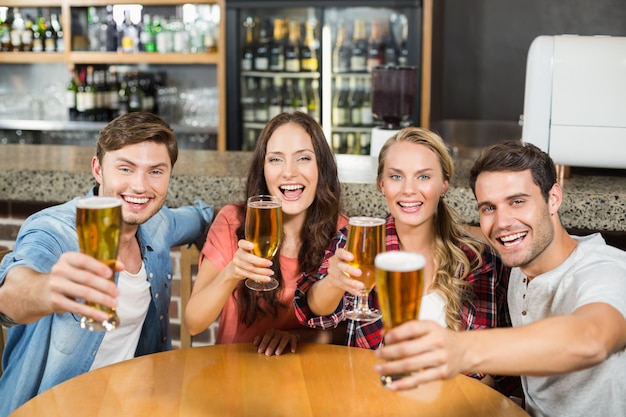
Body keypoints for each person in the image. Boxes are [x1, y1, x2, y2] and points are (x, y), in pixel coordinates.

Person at [375, 140, 626, 416]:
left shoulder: (605, 270)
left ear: (553, 198)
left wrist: (459, 350)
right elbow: (467, 234)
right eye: (489, 208)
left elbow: (592, 339)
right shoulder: (520, 262)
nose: (503, 222)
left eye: (517, 201)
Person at [0, 112, 215, 417]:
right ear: (98, 169)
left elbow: (204, 218)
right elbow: (10, 291)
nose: (140, 186)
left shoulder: (159, 223)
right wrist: (48, 290)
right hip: (49, 409)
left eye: (155, 171)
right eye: (125, 168)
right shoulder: (55, 229)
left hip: (133, 403)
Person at [295, 127, 516, 392]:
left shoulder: (480, 261)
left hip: (452, 405)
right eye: (396, 176)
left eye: (423, 176)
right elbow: (316, 314)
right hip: (371, 400)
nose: (409, 190)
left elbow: (499, 363)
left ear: (444, 184)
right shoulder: (361, 244)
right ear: (382, 184)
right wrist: (333, 280)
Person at [184, 111, 348, 356]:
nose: (289, 172)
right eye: (275, 160)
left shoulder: (342, 231)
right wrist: (232, 273)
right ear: (263, 169)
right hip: (235, 376)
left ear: (321, 167)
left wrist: (298, 337)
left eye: (303, 158)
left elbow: (346, 331)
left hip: (309, 381)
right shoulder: (233, 221)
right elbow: (193, 323)